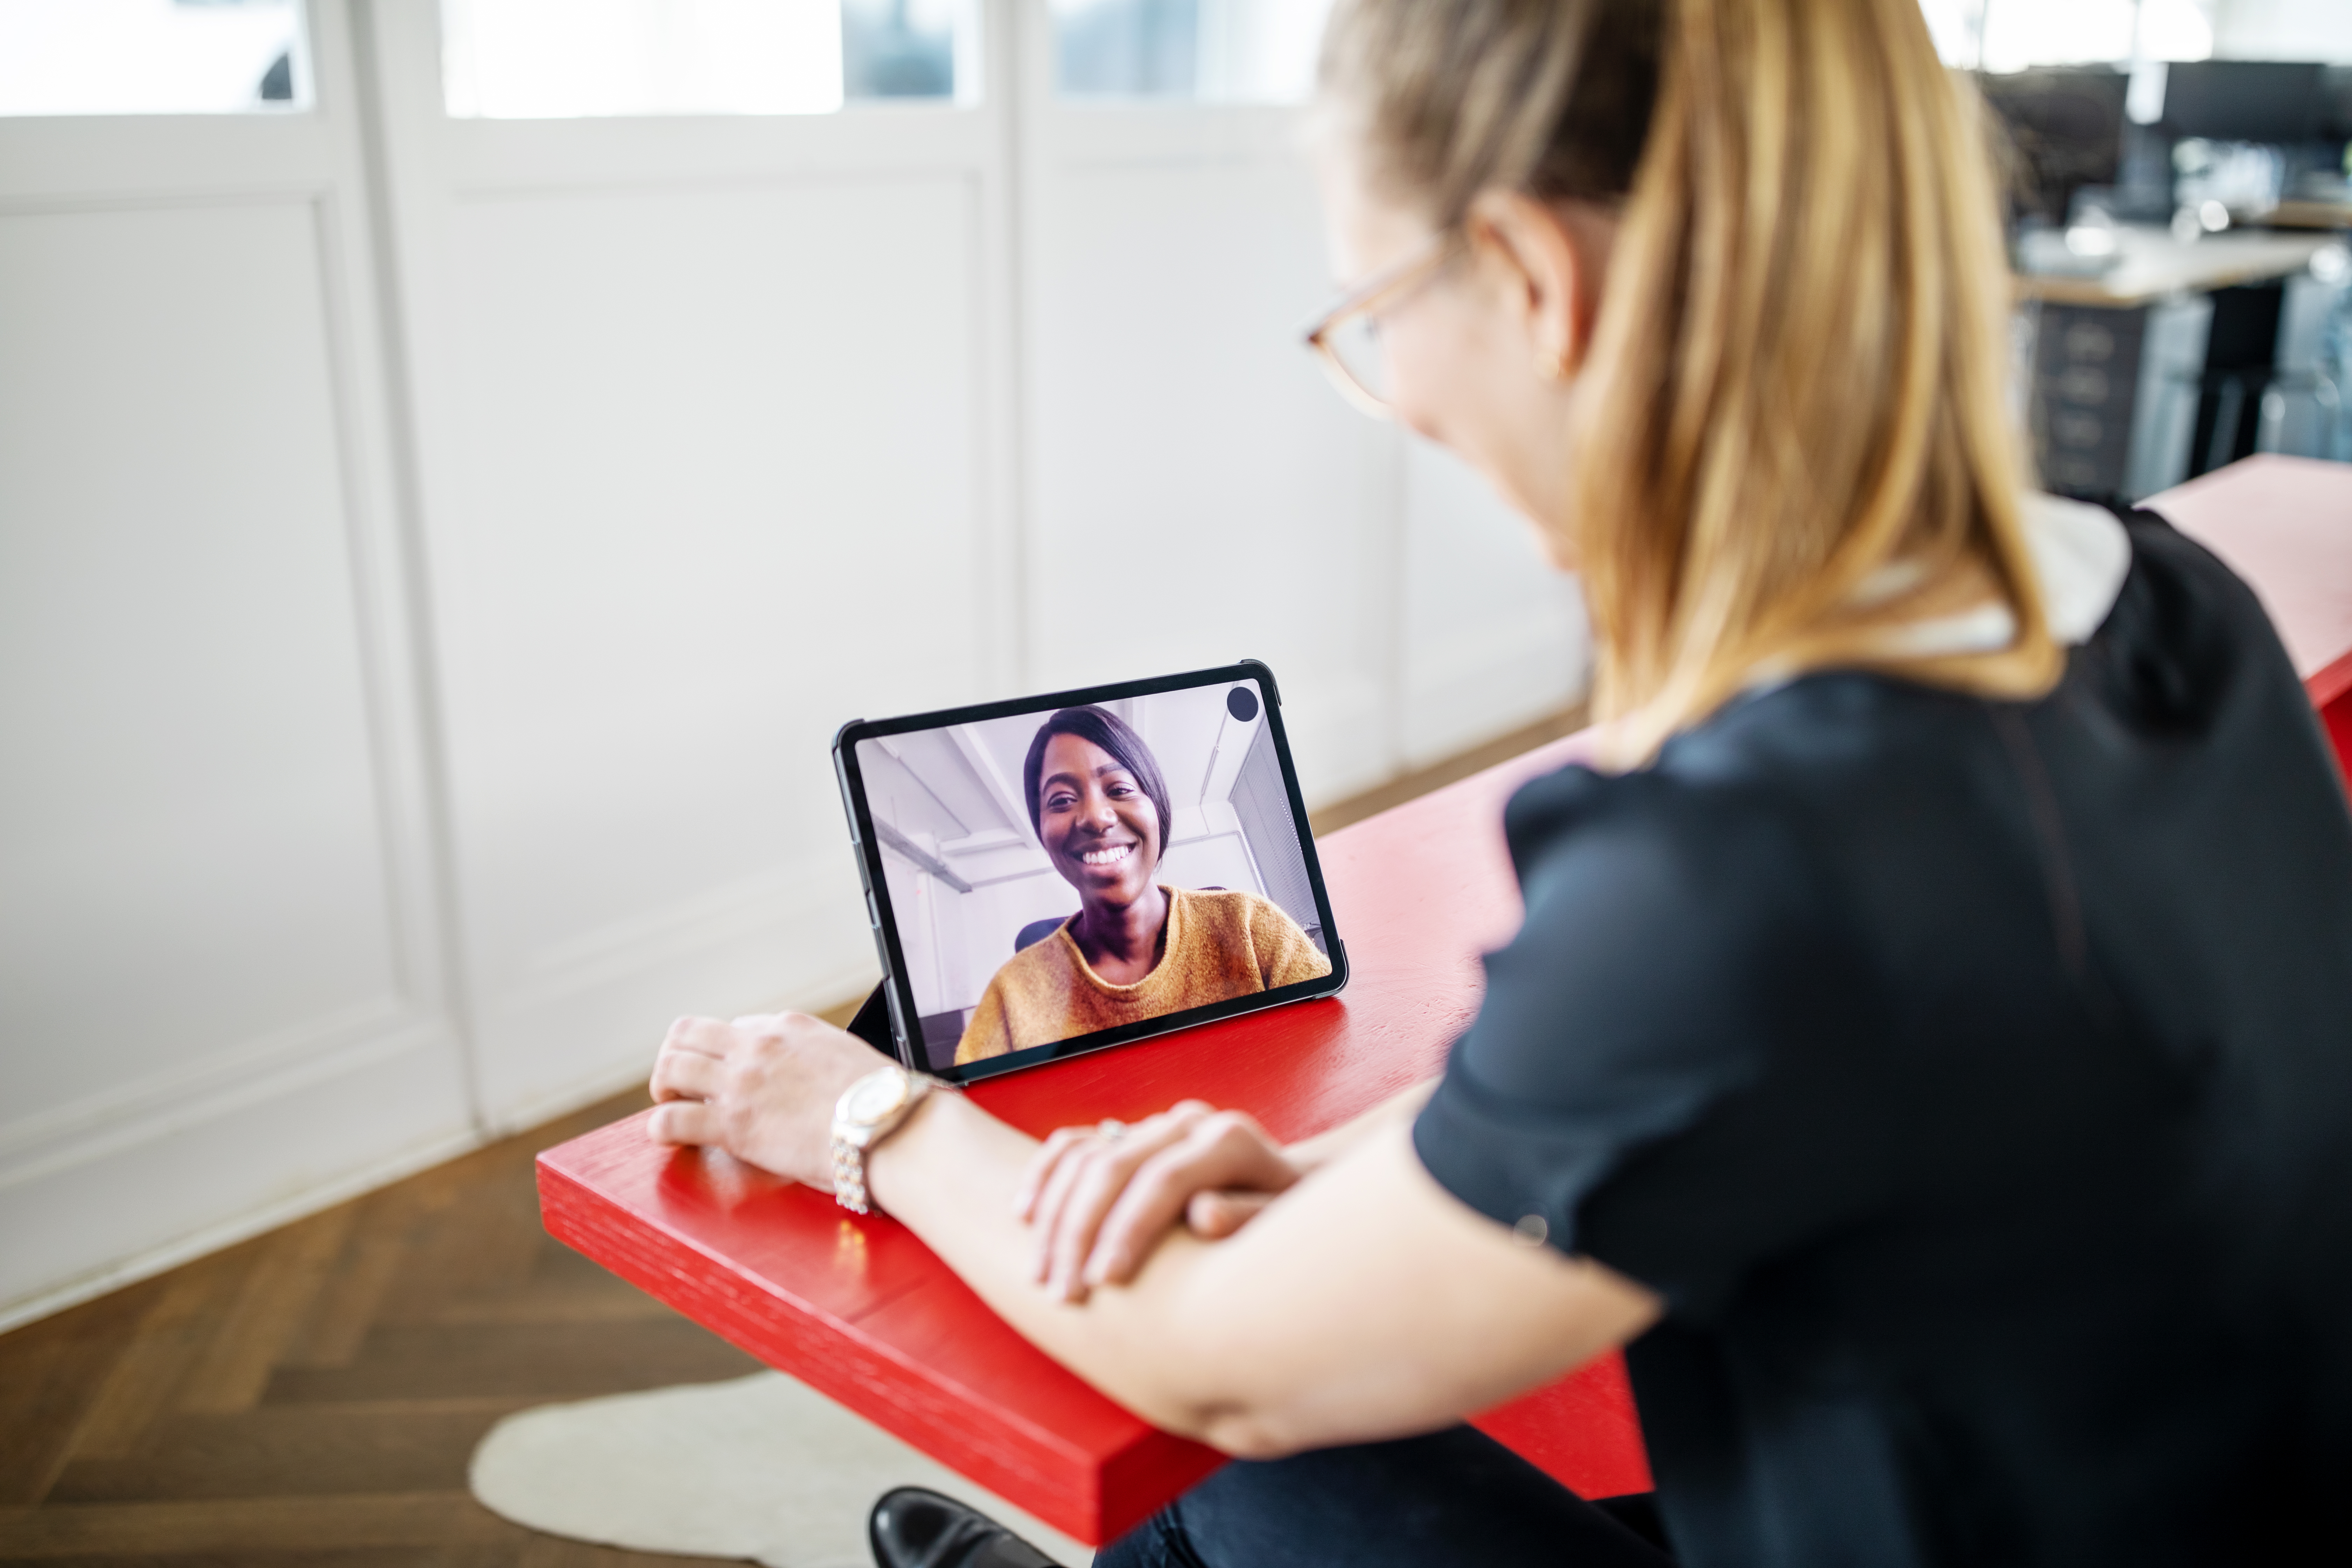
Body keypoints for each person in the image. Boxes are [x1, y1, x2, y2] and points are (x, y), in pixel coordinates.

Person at [647, 0, 2352, 1563]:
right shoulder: (2170, 600)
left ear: (1537, 277)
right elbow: (1763, 1061)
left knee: (1219, 1429)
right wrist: (1321, 1168)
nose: (1396, 394)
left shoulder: (1758, 848)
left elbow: (1226, 1366)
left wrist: (872, 1117)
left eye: (1377, 316)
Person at [954, 705, 1330, 1066]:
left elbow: (1331, 1051)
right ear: (1043, 832)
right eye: (1062, 800)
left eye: (1119, 789)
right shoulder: (1013, 993)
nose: (1097, 818)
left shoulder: (1249, 925)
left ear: (1158, 807)